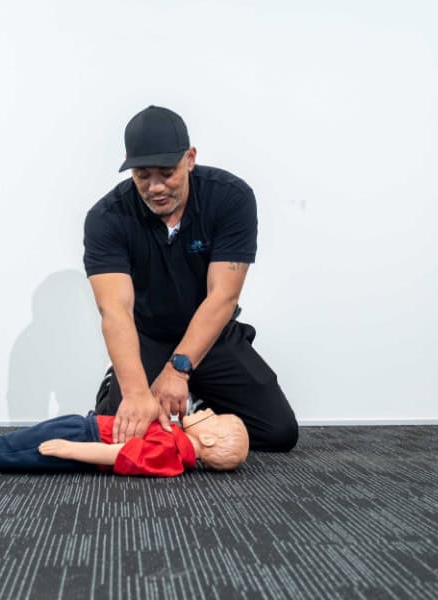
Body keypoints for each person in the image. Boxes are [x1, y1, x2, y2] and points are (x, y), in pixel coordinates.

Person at [84, 105, 298, 451]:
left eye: (167, 173)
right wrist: (138, 393)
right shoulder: (107, 218)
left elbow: (222, 297)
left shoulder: (230, 197)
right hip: (148, 338)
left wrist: (178, 371)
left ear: (190, 158)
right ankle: (135, 396)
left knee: (279, 433)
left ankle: (189, 406)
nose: (155, 187)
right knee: (119, 432)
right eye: (142, 175)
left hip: (212, 334)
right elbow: (115, 310)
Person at [0, 408, 249, 477]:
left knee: (19, 449)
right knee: (21, 440)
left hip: (82, 438)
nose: (207, 410)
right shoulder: (175, 439)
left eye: (212, 416)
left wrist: (68, 449)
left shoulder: (170, 453)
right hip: (85, 427)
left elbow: (117, 453)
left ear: (207, 437)